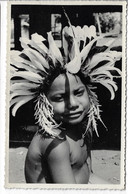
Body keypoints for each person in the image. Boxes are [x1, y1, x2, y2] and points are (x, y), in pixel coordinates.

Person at [10, 23, 121, 184]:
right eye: (60, 98)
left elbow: (88, 176)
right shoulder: (56, 143)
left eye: (78, 93)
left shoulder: (83, 128)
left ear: (89, 93)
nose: (73, 104)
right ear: (44, 103)